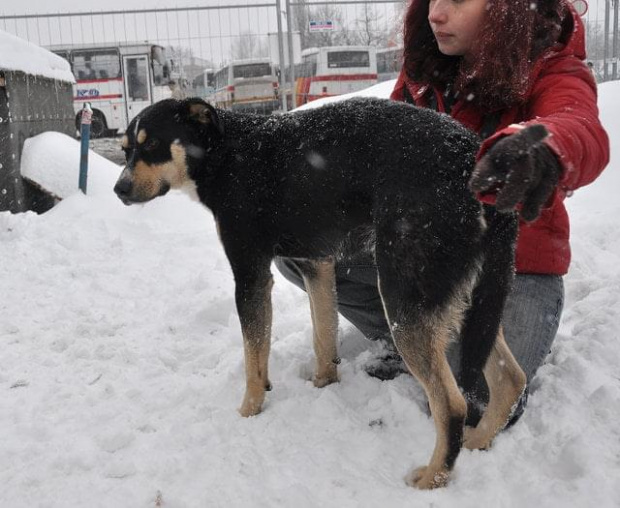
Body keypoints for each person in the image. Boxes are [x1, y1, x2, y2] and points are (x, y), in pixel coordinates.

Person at [276, 0, 609, 425]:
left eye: (457, 0)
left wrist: (540, 148)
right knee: (298, 245)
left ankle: (432, 343)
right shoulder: (424, 72)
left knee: (481, 397)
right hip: (424, 255)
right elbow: (376, 156)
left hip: (511, 270)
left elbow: (578, 124)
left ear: (507, 9)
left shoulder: (553, 68)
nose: (436, 13)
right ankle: (411, 339)